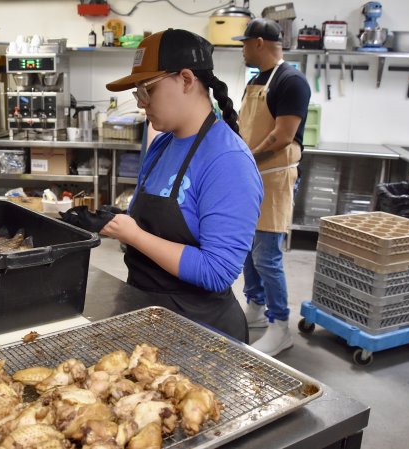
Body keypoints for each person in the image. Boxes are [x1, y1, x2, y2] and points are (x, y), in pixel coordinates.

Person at [100, 29, 263, 344]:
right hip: (148, 317)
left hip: (202, 335)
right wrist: (113, 222)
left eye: (147, 90)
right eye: (137, 93)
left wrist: (134, 235)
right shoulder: (163, 144)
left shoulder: (228, 160)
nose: (141, 104)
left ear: (186, 80)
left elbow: (217, 271)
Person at [234, 18, 311, 356]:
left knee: (266, 256)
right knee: (248, 251)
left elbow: (282, 136)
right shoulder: (257, 80)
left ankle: (280, 326)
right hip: (251, 177)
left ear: (259, 43)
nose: (242, 49)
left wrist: (246, 158)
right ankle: (256, 307)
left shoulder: (291, 81)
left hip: (275, 178)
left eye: (244, 43)